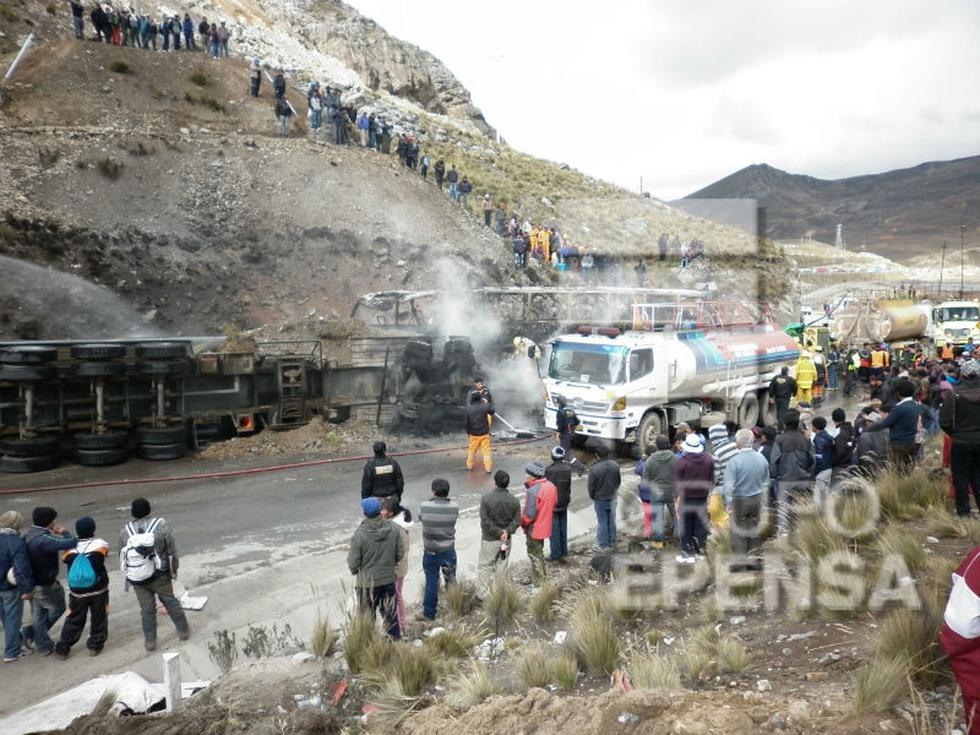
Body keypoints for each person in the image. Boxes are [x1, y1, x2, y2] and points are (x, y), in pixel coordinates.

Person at [119, 498, 189, 652]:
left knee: (147, 609)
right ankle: (183, 631)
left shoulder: (125, 532)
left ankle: (150, 641)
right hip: (159, 574)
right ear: (149, 510)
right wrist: (174, 570)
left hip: (138, 579)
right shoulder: (161, 526)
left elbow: (122, 556)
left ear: (133, 513)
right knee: (170, 601)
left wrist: (129, 578)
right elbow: (171, 551)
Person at [22, 507, 76, 656]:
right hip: (45, 583)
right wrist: (63, 532)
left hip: (31, 582)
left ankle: (33, 635)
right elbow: (71, 542)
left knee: (38, 614)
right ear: (49, 522)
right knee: (58, 607)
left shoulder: (28, 535)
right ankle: (40, 640)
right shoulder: (43, 539)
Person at [54, 517, 109, 659]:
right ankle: (95, 646)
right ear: (93, 529)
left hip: (77, 592)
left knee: (74, 619)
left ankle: (63, 648)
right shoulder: (100, 544)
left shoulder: (69, 548)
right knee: (99, 617)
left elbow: (65, 559)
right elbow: (104, 555)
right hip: (98, 589)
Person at [347, 498, 403, 638]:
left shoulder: (359, 535)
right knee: (390, 615)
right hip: (388, 580)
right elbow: (400, 554)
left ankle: (368, 644)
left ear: (365, 512)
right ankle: (395, 642)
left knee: (367, 617)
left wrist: (356, 572)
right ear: (379, 510)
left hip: (367, 584)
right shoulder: (394, 528)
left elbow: (353, 563)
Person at [723, 429, 769, 570]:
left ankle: (740, 564)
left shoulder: (734, 462)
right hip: (757, 498)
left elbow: (728, 486)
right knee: (754, 529)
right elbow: (766, 482)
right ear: (752, 441)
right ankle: (755, 562)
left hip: (739, 500)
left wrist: (728, 503)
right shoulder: (761, 458)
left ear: (737, 444)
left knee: (738, 532)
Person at [941, 360, 980, 517]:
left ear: (963, 374)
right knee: (978, 476)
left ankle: (963, 512)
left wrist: (954, 433)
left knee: (961, 477)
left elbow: (944, 421)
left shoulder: (954, 394)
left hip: (961, 441)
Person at [769, 410, 815, 535]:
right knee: (802, 507)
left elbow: (773, 462)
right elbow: (813, 460)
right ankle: (802, 532)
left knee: (783, 510)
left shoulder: (780, 440)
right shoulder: (805, 440)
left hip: (785, 480)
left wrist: (776, 476)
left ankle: (784, 535)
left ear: (784, 424)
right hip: (803, 480)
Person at [418, 479, 458, 621]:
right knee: (451, 579)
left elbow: (421, 519)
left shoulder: (424, 506)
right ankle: (455, 607)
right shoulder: (454, 507)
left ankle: (429, 613)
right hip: (448, 549)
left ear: (433, 491)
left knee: (431, 581)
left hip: (430, 550)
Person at [478, 470, 521, 594]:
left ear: (495, 482)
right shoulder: (514, 501)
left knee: (485, 566)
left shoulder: (486, 499)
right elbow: (516, 521)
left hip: (489, 539)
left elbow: (485, 520)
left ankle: (483, 594)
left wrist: (498, 532)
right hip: (506, 540)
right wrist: (506, 532)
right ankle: (500, 593)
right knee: (502, 566)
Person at [863, 377, 920, 471]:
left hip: (898, 444)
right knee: (907, 469)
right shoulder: (914, 404)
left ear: (899, 392)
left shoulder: (899, 408)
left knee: (897, 470)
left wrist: (867, 429)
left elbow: (885, 423)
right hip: (911, 441)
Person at [675, 433, 715, 562]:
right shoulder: (708, 459)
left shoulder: (681, 462)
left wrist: (676, 502)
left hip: (686, 498)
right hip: (702, 497)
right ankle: (701, 552)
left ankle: (688, 553)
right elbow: (711, 479)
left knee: (686, 525)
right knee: (700, 525)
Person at [0, 511, 33, 663]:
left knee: (6, 619)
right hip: (8, 587)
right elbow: (20, 568)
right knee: (12, 619)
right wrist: (26, 589)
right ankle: (12, 652)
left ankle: (17, 643)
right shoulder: (15, 542)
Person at [379, 498, 412, 636]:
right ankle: (401, 625)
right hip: (401, 567)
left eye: (383, 510)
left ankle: (400, 626)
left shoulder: (395, 529)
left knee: (396, 597)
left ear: (391, 513)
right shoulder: (402, 524)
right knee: (398, 595)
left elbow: (392, 551)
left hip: (395, 569)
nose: (381, 511)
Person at [522, 462, 557, 584]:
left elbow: (529, 515)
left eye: (527, 473)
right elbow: (554, 503)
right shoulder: (551, 486)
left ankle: (538, 582)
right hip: (545, 525)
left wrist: (523, 523)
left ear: (532, 476)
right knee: (539, 552)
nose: (526, 475)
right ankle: (542, 576)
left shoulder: (533, 491)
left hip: (534, 528)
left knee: (534, 555)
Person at [642, 435, 676, 549]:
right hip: (672, 492)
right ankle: (679, 540)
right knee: (677, 516)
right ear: (668, 444)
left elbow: (645, 481)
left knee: (657, 519)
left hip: (656, 493)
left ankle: (658, 544)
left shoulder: (650, 461)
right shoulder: (675, 458)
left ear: (656, 446)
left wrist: (645, 497)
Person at [588, 443, 621, 550]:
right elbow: (618, 482)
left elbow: (591, 487)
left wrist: (593, 496)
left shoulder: (594, 469)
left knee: (602, 522)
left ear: (597, 455)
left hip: (600, 499)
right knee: (611, 520)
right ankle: (612, 541)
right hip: (612, 498)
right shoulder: (615, 466)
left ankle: (603, 544)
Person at [545, 447, 572, 561]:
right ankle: (564, 551)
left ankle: (555, 554)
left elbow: (547, 487)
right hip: (564, 502)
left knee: (554, 530)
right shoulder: (567, 468)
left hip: (553, 504)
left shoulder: (549, 470)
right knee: (563, 528)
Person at [361, 440, 405, 506]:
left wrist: (365, 499)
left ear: (374, 450)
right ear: (385, 449)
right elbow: (399, 482)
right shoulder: (393, 463)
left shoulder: (370, 465)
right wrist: (398, 496)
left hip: (375, 500)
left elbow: (366, 485)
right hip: (392, 498)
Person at [465, 389, 494, 473]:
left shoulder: (469, 408)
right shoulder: (484, 406)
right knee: (486, 451)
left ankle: (469, 465)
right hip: (484, 433)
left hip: (473, 434)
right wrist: (486, 403)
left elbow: (466, 422)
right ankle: (488, 468)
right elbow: (492, 412)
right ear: (480, 398)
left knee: (472, 450)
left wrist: (468, 432)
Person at [811, 416, 836, 507]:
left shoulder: (818, 439)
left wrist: (815, 471)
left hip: (822, 470)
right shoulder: (829, 437)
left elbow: (819, 456)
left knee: (818, 496)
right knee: (825, 493)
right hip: (829, 468)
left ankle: (819, 515)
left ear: (815, 427)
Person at [831, 407, 855, 485]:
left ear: (833, 419)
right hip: (852, 465)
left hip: (840, 467)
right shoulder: (852, 428)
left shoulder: (838, 432)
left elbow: (840, 451)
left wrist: (832, 462)